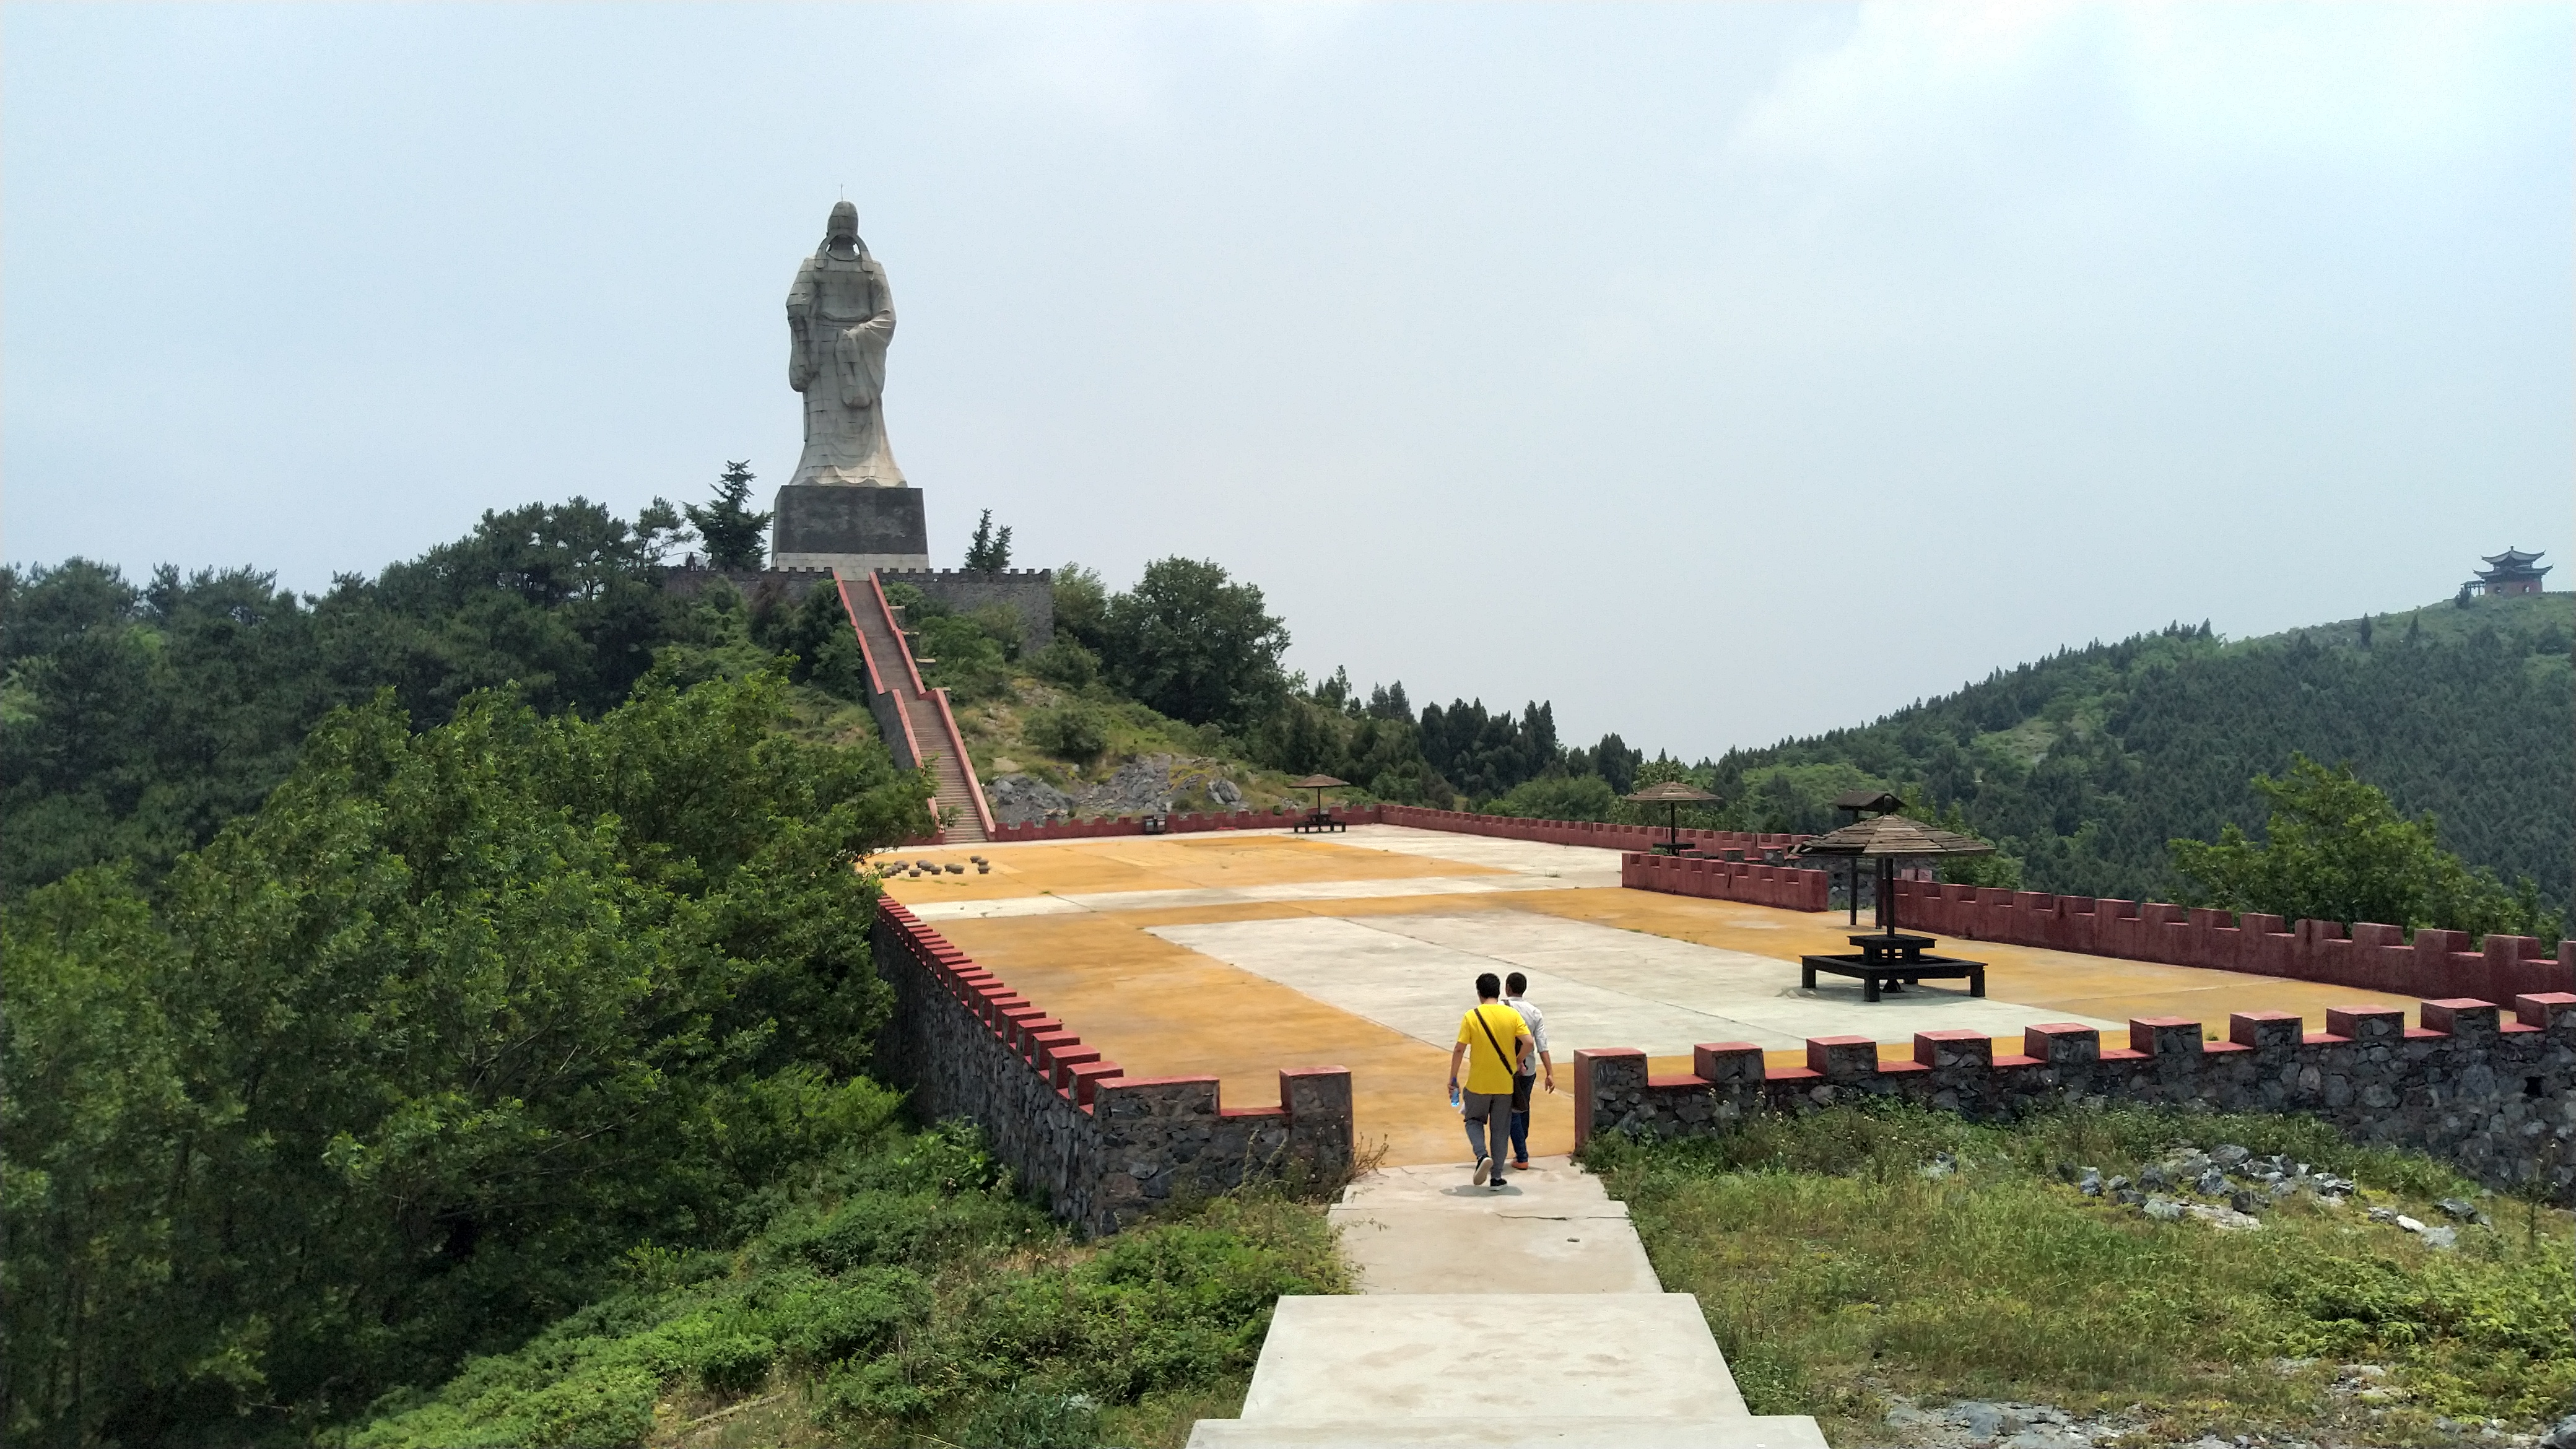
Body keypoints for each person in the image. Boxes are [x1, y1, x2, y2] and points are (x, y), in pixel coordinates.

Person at [1447, 972, 1533, 1188]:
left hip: (1478, 1083)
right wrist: (1517, 1061)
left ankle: (1481, 1155)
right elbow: (1529, 1042)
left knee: (1473, 1121)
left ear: (1479, 993)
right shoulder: (1511, 1015)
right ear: (1498, 991)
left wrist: (1453, 1078)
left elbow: (1459, 1049)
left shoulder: (1472, 1016)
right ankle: (1496, 1177)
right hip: (1504, 1084)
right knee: (1501, 1129)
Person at [1502, 972, 1554, 1171]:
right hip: (1529, 1069)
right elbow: (1542, 1045)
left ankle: (1522, 1154)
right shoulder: (1535, 1012)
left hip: (1507, 1068)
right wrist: (1550, 1073)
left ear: (1507, 988)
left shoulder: (1501, 1008)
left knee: (1510, 1111)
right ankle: (1521, 1146)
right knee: (1523, 1106)